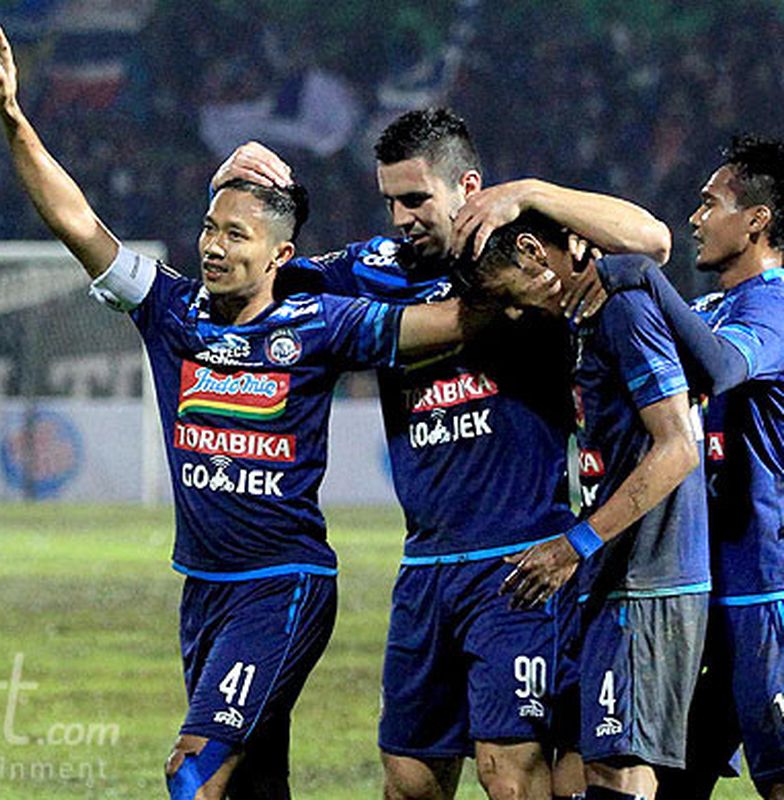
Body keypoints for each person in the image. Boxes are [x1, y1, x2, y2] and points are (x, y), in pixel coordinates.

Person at [0, 21, 467, 799]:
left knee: (195, 767)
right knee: (250, 786)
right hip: (203, 587)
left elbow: (441, 326)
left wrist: (526, 294)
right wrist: (13, 118)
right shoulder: (172, 312)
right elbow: (74, 222)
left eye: (235, 234)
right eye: (208, 227)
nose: (213, 245)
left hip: (284, 583)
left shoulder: (317, 325)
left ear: (279, 256)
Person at [213, 111, 671, 800]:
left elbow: (653, 242)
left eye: (416, 199)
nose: (401, 217)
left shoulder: (528, 246)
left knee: (509, 775)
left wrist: (533, 193)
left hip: (519, 557)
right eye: (390, 200)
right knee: (409, 781)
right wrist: (240, 197)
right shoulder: (373, 271)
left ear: (469, 187)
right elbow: (264, 275)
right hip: (425, 563)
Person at [464, 211, 709, 800]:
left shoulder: (623, 310)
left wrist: (577, 545)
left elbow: (678, 449)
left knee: (620, 776)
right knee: (601, 772)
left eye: (509, 295)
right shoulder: (584, 322)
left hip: (649, 580)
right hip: (620, 574)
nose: (517, 312)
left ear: (532, 251)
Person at [610, 136, 784, 800]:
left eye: (711, 203)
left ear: (757, 220)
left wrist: (647, 276)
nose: (694, 218)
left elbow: (719, 368)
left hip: (766, 591)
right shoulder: (714, 310)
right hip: (708, 593)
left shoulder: (771, 304)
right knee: (674, 781)